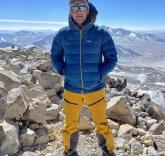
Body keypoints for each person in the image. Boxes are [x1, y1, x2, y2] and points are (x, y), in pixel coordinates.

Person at [50, 0, 118, 155]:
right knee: (70, 124)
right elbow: (55, 55)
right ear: (70, 11)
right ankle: (69, 151)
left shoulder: (101, 33)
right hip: (71, 88)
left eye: (82, 7)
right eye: (74, 7)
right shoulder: (62, 34)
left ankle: (108, 151)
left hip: (95, 88)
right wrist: (62, 68)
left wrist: (99, 73)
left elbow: (111, 58)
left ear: (89, 10)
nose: (78, 11)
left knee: (101, 123)